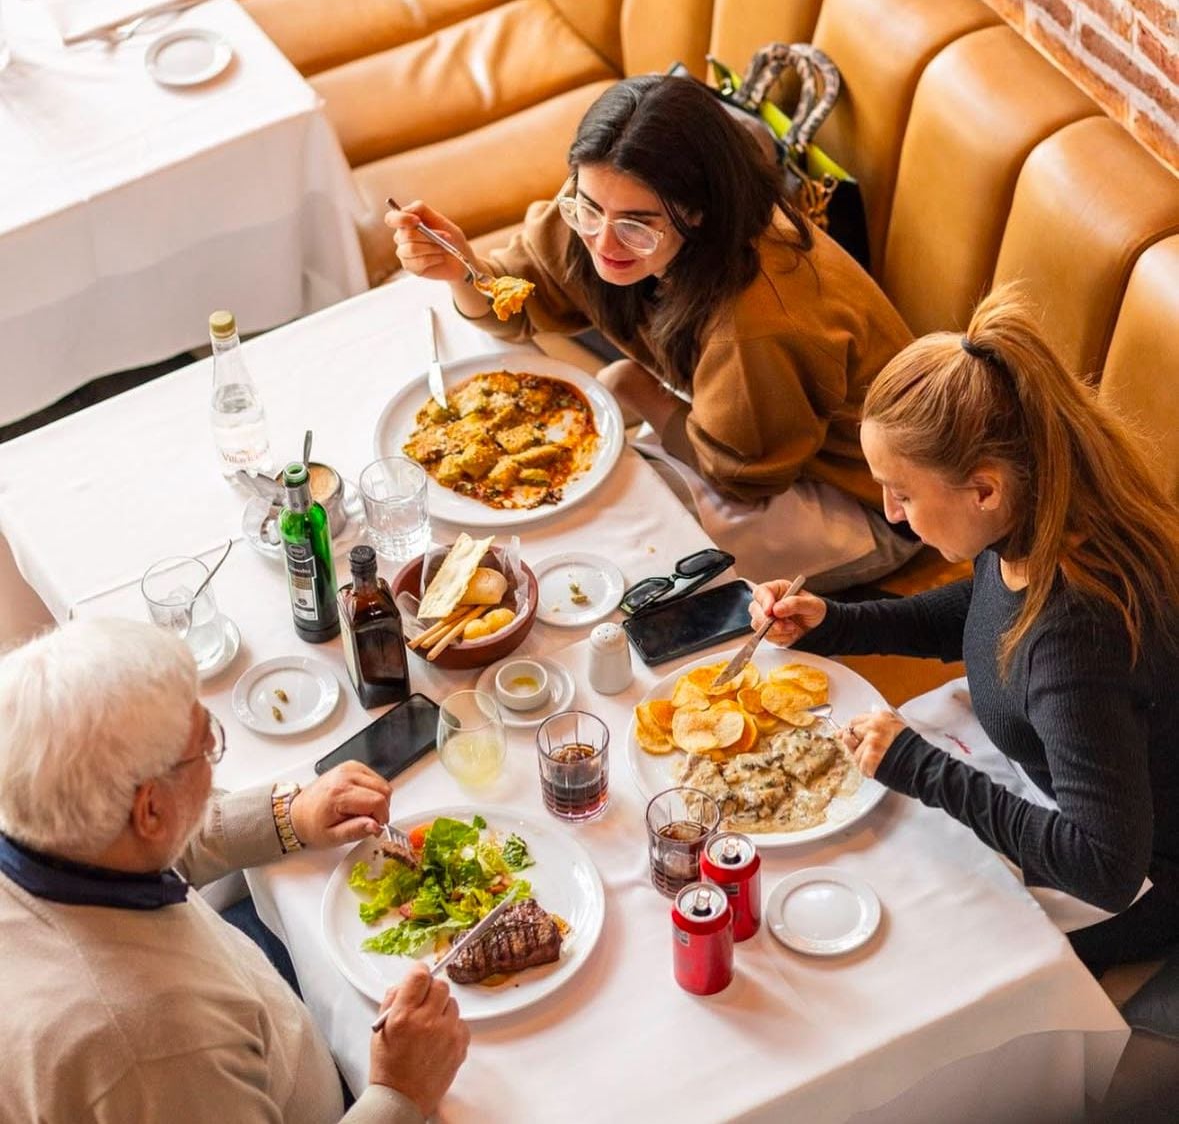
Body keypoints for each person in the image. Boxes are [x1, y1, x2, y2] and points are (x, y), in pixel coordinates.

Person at [751, 286, 1179, 973]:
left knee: (888, 945)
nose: (890, 514)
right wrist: (833, 622)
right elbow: (983, 614)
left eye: (903, 492)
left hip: (1136, 880)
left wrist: (918, 766)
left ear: (983, 489)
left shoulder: (1076, 640)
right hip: (1039, 777)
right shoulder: (1039, 515)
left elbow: (1103, 867)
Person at [388, 72, 915, 589]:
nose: (602, 242)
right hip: (742, 432)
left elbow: (743, 476)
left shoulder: (757, 322)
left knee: (618, 546)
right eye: (586, 207)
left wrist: (633, 389)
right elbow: (521, 297)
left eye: (636, 226)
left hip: (867, 499)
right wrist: (462, 271)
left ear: (701, 212)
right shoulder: (606, 202)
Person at [0, 618, 469, 1123]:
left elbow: (128, 842)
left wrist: (288, 817)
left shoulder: (44, 822)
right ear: (151, 810)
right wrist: (399, 1093)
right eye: (207, 744)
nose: (214, 757)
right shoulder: (159, 1050)